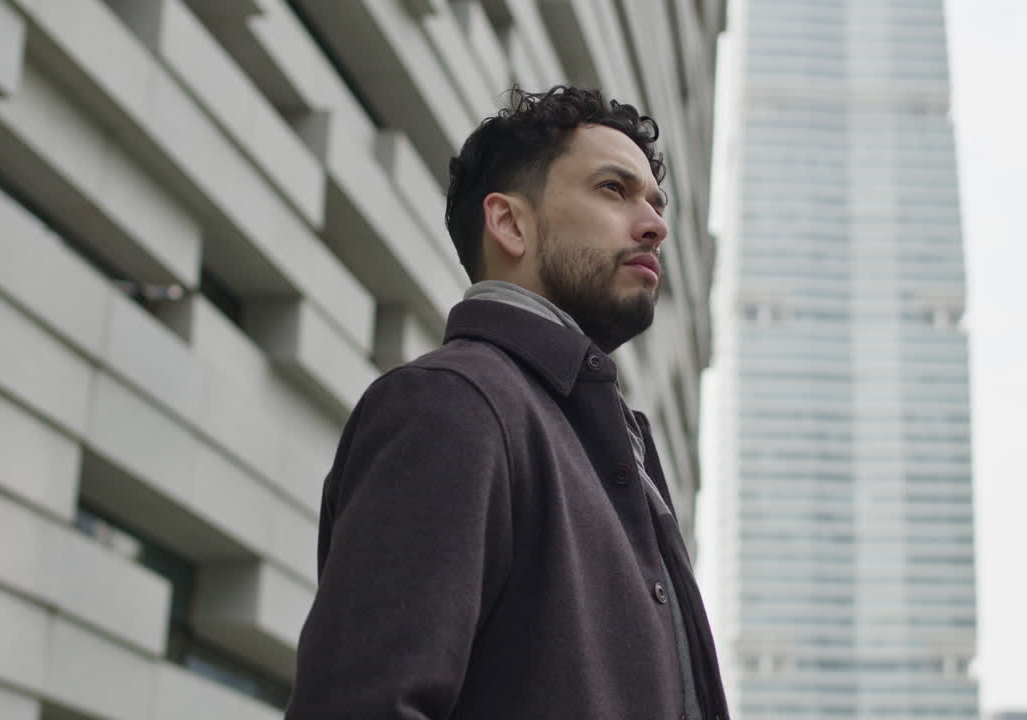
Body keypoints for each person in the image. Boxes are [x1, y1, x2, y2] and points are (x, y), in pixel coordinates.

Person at [285, 86, 729, 720]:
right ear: (510, 223)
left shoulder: (603, 442)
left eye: (656, 203)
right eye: (612, 189)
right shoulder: (452, 406)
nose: (656, 224)